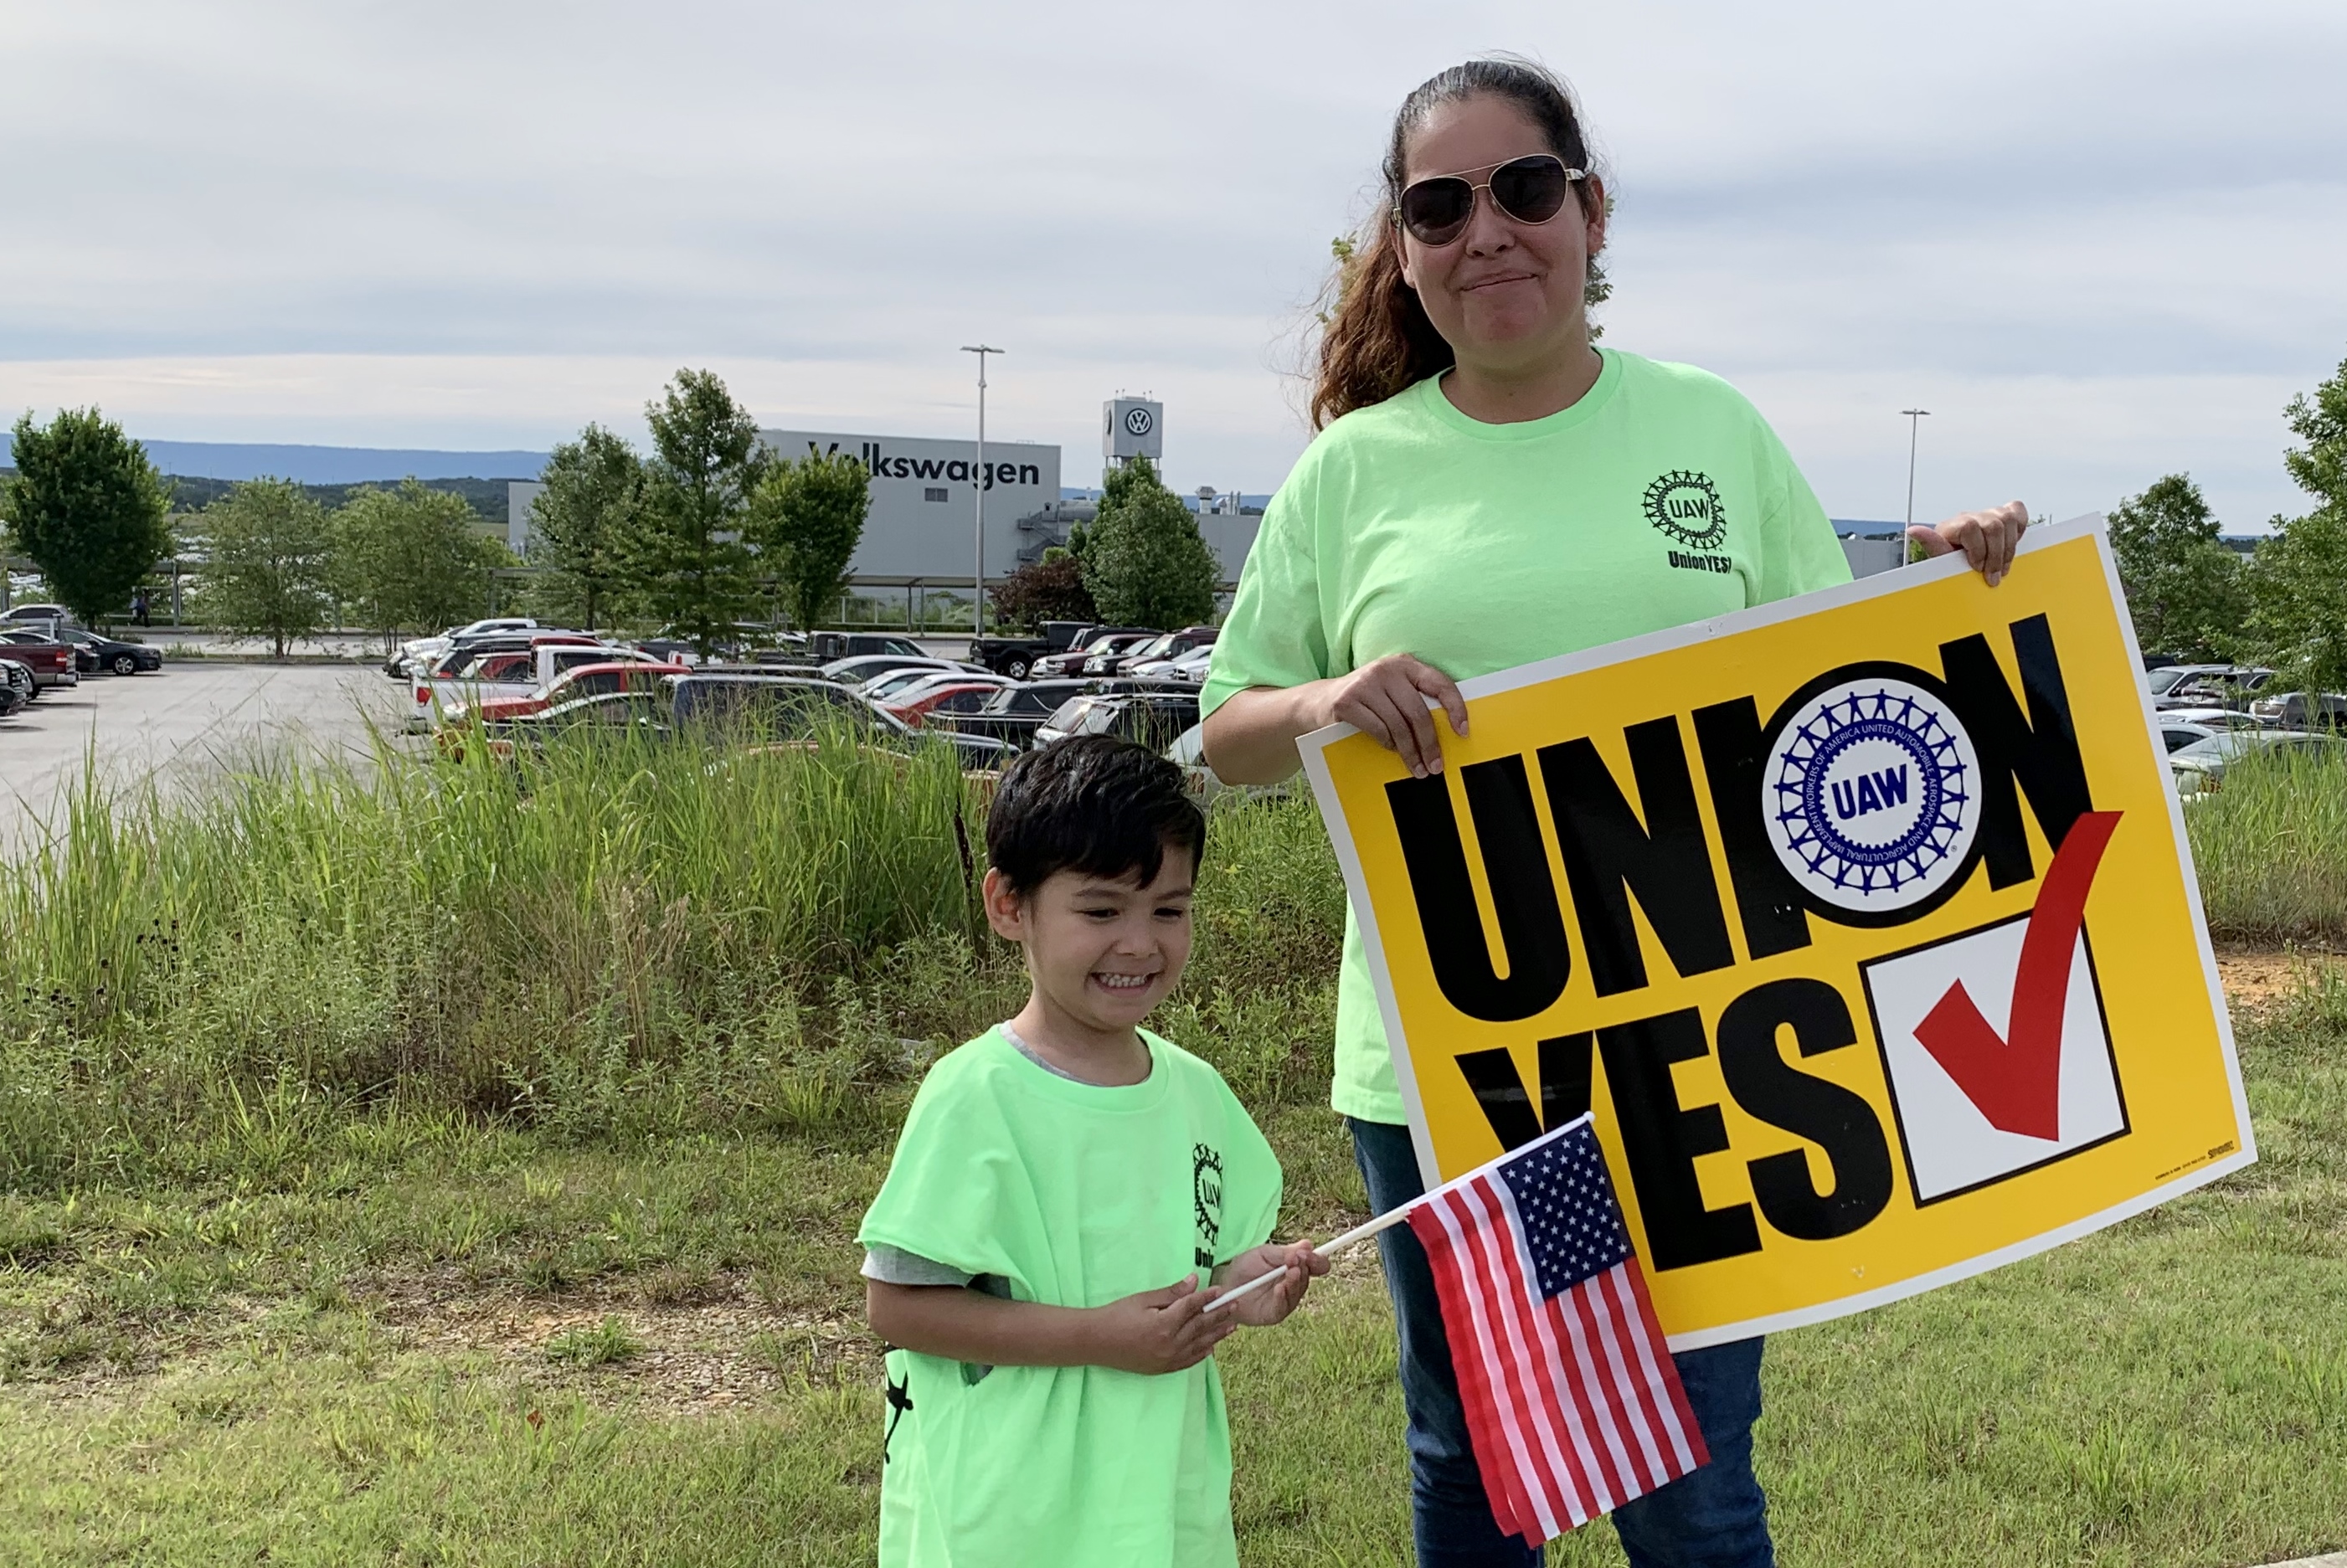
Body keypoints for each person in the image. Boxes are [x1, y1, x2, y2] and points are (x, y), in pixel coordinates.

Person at [1198, 56, 2029, 1568]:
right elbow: (1228, 729)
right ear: (1405, 246)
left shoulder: (1710, 429)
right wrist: (1323, 704)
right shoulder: (1350, 473)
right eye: (1440, 206)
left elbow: (1840, 701)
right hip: (1459, 1063)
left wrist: (1952, 591)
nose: (1489, 232)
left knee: (1695, 1470)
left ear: (1589, 210)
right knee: (1477, 1454)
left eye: (1524, 190)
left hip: (1705, 1041)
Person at [857, 735, 1328, 1568]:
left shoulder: (1194, 1091)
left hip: (1157, 1493)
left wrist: (1237, 1287)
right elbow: (899, 1307)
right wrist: (1094, 1336)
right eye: (1102, 910)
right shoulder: (974, 1097)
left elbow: (1195, 1263)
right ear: (1010, 906)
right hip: (1010, 1512)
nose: (1140, 943)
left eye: (1169, 910)